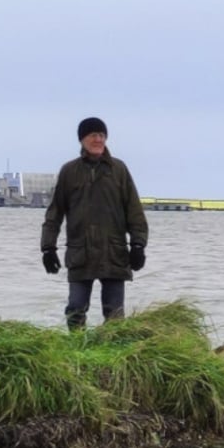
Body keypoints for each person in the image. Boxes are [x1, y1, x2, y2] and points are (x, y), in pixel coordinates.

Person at [41, 117, 149, 330]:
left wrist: (138, 245)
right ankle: (78, 351)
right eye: (93, 135)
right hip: (81, 254)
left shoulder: (119, 169)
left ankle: (113, 354)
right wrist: (48, 248)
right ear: (82, 139)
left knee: (115, 313)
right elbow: (54, 213)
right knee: (75, 308)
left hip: (114, 254)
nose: (98, 139)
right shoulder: (69, 171)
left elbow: (134, 211)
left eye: (102, 135)